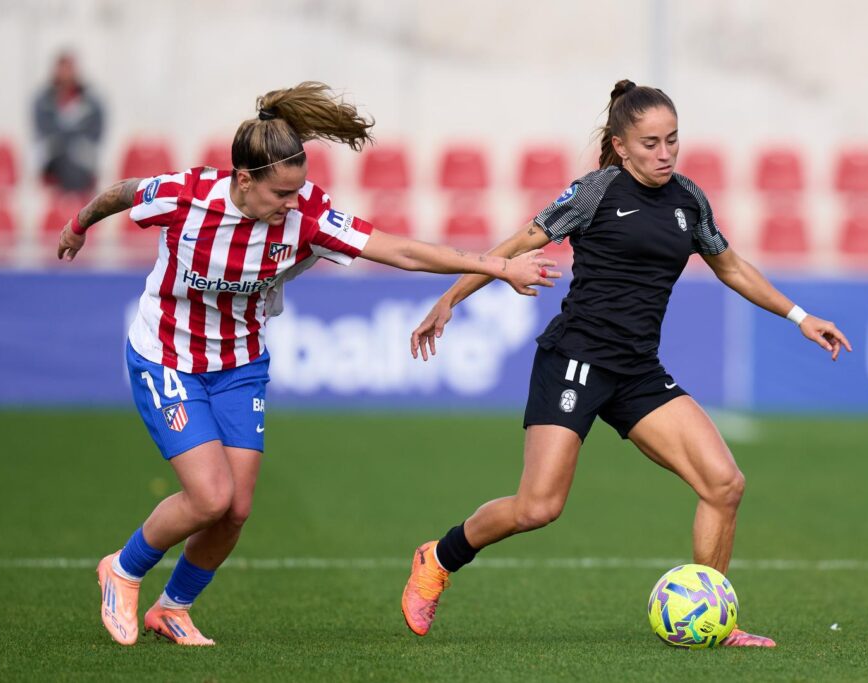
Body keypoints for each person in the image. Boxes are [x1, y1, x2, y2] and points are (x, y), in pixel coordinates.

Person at [56, 81, 559, 647]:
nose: (293, 205)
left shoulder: (308, 215)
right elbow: (123, 193)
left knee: (236, 509)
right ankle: (122, 570)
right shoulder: (187, 196)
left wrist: (496, 267)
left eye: (299, 191)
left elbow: (402, 250)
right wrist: (79, 225)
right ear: (243, 180)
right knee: (209, 496)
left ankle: (172, 607)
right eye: (281, 194)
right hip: (167, 355)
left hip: (241, 362)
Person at [400, 79, 852, 647]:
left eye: (673, 141)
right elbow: (515, 245)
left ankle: (713, 618)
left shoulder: (689, 199)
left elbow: (731, 266)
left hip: (637, 371)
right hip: (575, 362)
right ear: (619, 145)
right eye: (650, 144)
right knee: (539, 507)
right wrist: (449, 299)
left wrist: (799, 316)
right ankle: (438, 556)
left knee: (724, 483)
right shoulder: (594, 193)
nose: (664, 154)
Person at [33, 51, 105, 195]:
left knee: (75, 162)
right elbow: (44, 131)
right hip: (54, 160)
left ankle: (73, 209)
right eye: (63, 68)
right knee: (65, 161)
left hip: (82, 159)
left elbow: (95, 132)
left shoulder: (91, 101)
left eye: (70, 68)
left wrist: (70, 139)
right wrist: (68, 137)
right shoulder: (43, 101)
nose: (66, 73)